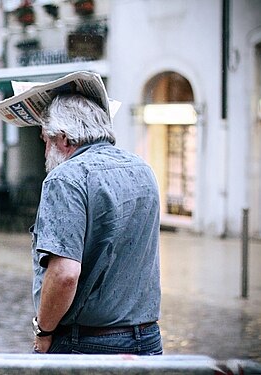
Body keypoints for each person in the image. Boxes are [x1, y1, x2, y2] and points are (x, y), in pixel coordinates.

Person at [30, 92, 162, 355]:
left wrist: (43, 331)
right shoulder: (143, 169)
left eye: (46, 140)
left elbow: (65, 274)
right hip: (147, 338)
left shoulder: (66, 178)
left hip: (88, 342)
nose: (45, 151)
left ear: (64, 138)